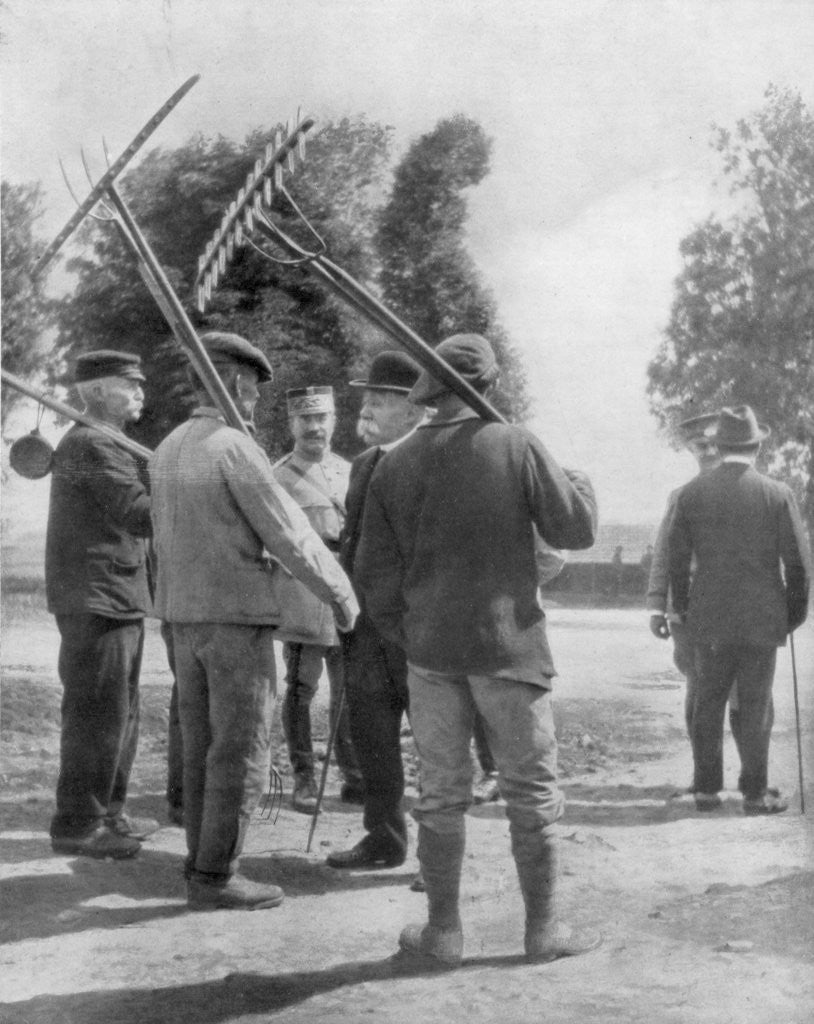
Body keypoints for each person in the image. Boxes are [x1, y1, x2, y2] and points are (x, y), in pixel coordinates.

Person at [355, 333, 602, 966]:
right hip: (509, 650)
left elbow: (374, 581)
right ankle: (543, 931)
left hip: (431, 655)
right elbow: (574, 528)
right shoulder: (516, 444)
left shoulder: (392, 463)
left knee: (440, 793)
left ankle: (443, 934)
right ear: (488, 386)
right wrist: (580, 483)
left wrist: (415, 639)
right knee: (531, 789)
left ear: (428, 393)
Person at [149, 332, 358, 911]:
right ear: (238, 383)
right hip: (236, 622)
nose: (257, 402)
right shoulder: (235, 448)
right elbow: (290, 535)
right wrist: (342, 597)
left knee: (199, 745)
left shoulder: (168, 445)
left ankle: (201, 866)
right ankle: (218, 876)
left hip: (181, 620)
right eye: (255, 389)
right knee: (240, 749)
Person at [668, 405, 810, 815]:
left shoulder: (691, 494)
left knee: (707, 704)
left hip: (708, 618)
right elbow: (799, 565)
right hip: (762, 619)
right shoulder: (777, 493)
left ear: (721, 444)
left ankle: (707, 792)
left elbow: (678, 561)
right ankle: (753, 794)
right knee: (755, 705)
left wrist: (684, 609)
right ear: (757, 446)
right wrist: (792, 615)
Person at [47, 350, 159, 859]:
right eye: (127, 384)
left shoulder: (110, 442)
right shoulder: (93, 445)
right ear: (94, 393)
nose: (140, 391)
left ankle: (108, 813)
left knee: (121, 712)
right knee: (97, 713)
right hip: (97, 599)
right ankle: (78, 824)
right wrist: (198, 483)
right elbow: (140, 514)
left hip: (115, 595)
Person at [324, 350, 425, 871]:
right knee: (371, 737)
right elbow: (353, 541)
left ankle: (438, 855)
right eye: (367, 400)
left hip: (417, 631)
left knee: (435, 744)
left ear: (415, 409)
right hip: (365, 631)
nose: (367, 410)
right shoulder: (364, 463)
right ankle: (384, 838)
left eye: (381, 402)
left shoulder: (434, 459)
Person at [272, 385, 363, 812]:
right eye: (305, 419)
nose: (314, 427)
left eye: (322, 418)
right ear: (291, 424)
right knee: (301, 689)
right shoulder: (278, 476)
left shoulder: (351, 471)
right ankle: (304, 777)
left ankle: (353, 772)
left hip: (348, 589)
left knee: (347, 687)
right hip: (305, 591)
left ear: (334, 421)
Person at [648, 413, 726, 743]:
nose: (707, 452)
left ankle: (753, 779)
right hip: (689, 606)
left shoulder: (747, 492)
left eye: (714, 444)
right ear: (691, 450)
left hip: (736, 604)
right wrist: (656, 606)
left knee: (744, 690)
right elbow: (663, 553)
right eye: (699, 445)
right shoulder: (679, 497)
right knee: (698, 683)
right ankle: (703, 774)